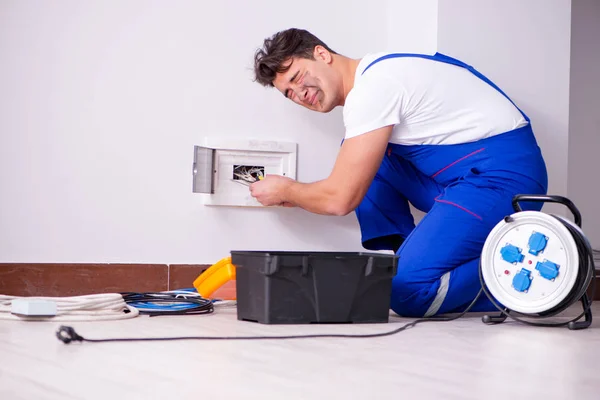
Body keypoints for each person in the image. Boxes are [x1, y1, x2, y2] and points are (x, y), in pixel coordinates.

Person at [249, 28, 548, 317]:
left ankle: (533, 275)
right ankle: (403, 260)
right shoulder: (378, 73)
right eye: (289, 93)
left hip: (503, 180)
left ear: (322, 54)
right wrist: (301, 195)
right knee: (366, 159)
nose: (299, 93)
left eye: (297, 77)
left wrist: (288, 190)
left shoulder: (374, 88)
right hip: (465, 177)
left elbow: (339, 199)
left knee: (407, 292)